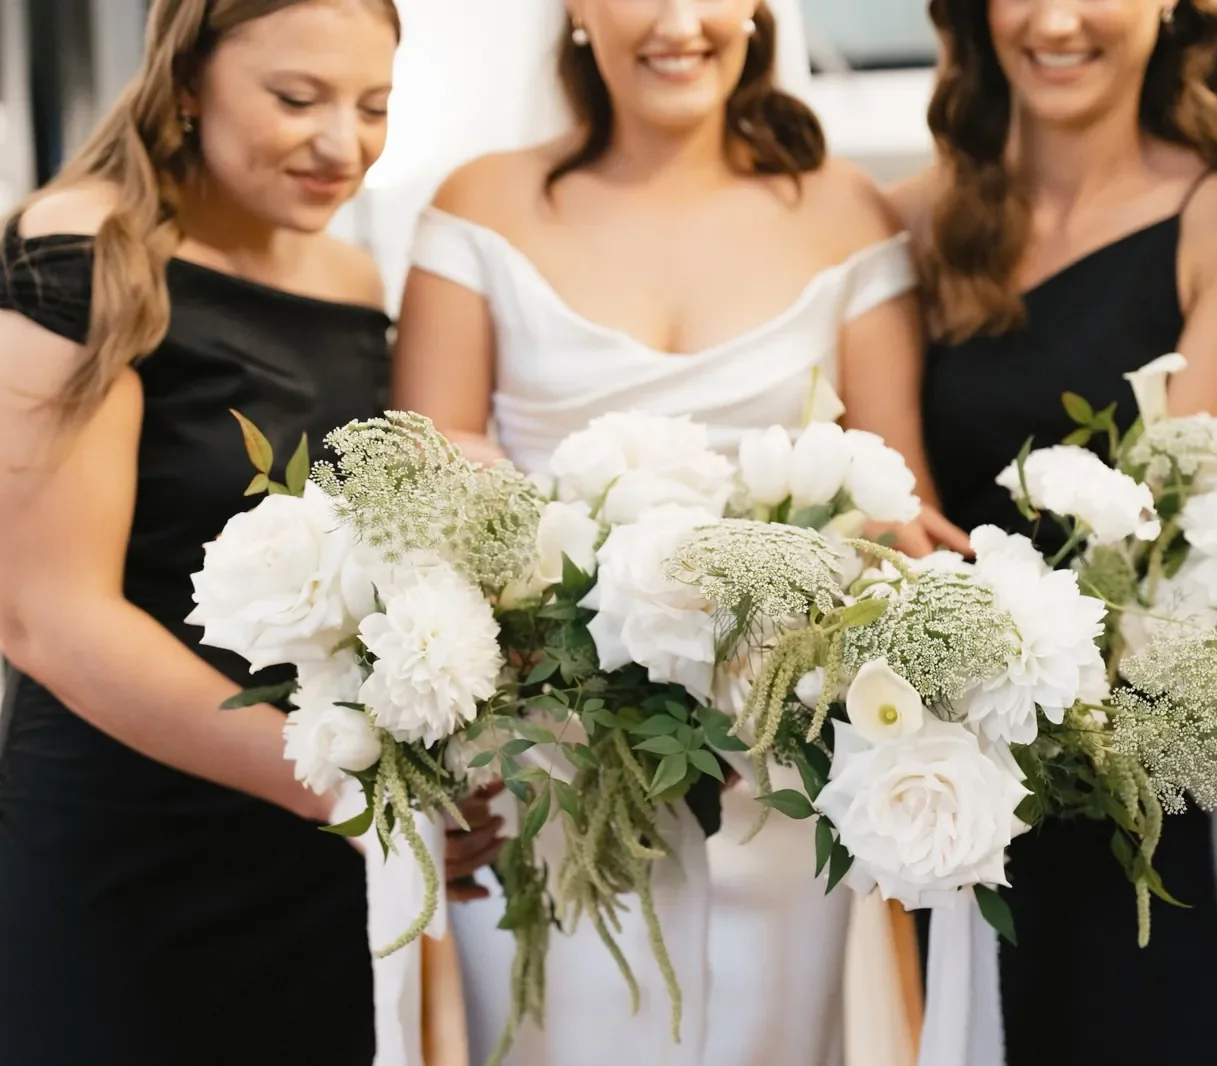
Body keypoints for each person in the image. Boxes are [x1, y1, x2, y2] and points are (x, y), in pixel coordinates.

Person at [390, 2, 934, 1064]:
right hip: (548, 749)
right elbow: (432, 460)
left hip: (773, 757)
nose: (679, 23)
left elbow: (890, 491)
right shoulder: (481, 203)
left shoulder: (844, 209)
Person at [0, 2, 493, 1062]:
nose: (343, 145)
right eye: (297, 99)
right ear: (187, 82)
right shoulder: (86, 250)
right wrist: (350, 790)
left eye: (374, 107)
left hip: (312, 849)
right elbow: (47, 617)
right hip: (132, 841)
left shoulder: (350, 278)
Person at [893, 0, 1217, 1063]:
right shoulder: (918, 222)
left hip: (1151, 778)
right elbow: (896, 501)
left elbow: (1175, 537)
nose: (1058, 18)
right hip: (956, 776)